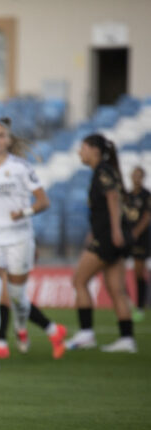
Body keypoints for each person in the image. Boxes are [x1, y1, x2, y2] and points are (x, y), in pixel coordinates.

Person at [0, 118, 66, 369]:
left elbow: (43, 201)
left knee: (17, 296)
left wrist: (24, 212)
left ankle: (35, 329)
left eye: (1, 135)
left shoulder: (21, 167)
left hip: (18, 238)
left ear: (8, 140)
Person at [65, 134, 136, 352]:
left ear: (94, 150)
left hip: (107, 238)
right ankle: (127, 339)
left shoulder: (103, 171)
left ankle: (86, 333)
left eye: (83, 148)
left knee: (79, 281)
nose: (80, 152)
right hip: (111, 237)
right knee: (116, 289)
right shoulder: (104, 170)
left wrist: (114, 230)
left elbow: (113, 198)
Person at [123, 166, 150, 321]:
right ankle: (126, 302)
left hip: (141, 239)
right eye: (134, 175)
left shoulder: (146, 195)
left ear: (143, 177)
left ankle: (140, 306)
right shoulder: (127, 195)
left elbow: (147, 217)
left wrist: (135, 233)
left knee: (139, 273)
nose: (136, 178)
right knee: (117, 269)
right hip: (126, 238)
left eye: (139, 175)